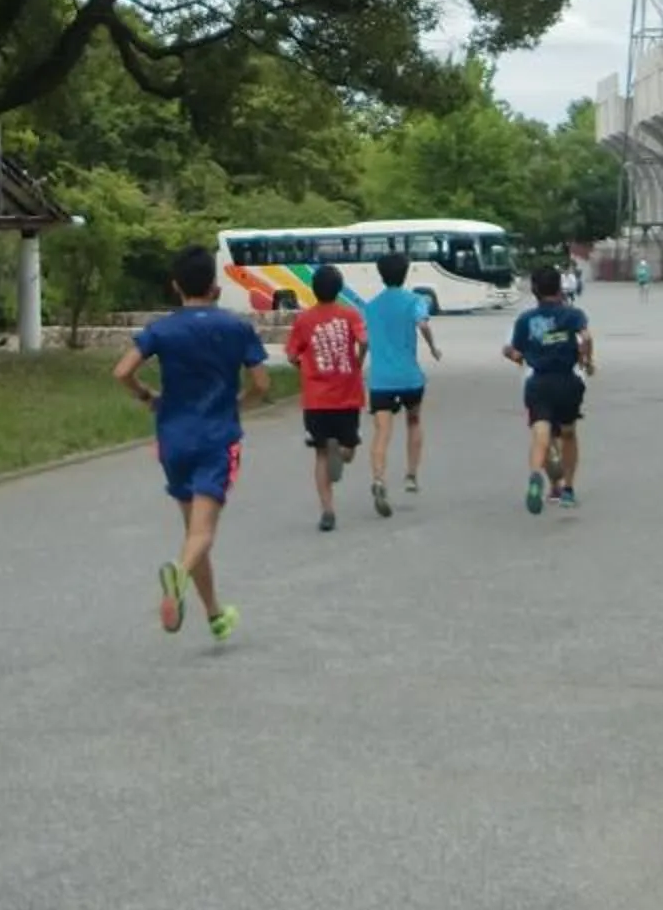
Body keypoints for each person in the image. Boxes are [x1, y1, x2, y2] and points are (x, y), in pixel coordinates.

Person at [114, 245, 266, 642]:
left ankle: (215, 615)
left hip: (174, 438)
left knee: (192, 534)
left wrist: (149, 397)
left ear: (176, 286)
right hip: (217, 438)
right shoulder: (236, 327)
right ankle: (178, 576)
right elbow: (262, 384)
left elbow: (122, 371)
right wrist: (241, 404)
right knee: (202, 534)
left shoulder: (162, 330)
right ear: (215, 285)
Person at [502, 263, 593, 514]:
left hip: (538, 383)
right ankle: (568, 490)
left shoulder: (526, 319)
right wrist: (587, 360)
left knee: (541, 434)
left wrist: (514, 355)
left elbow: (514, 350)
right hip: (567, 381)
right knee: (568, 433)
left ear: (534, 290)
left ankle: (535, 475)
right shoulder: (573, 315)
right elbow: (586, 338)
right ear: (560, 288)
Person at [285, 263, 369, 531]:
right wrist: (357, 360)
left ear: (313, 289)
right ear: (340, 289)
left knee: (320, 454)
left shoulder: (304, 320)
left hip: (316, 398)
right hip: (347, 393)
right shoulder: (350, 315)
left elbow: (291, 354)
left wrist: (304, 368)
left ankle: (327, 510)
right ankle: (341, 450)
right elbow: (365, 341)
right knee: (349, 450)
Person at [361, 254, 443, 514]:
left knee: (381, 431)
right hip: (409, 377)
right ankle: (410, 475)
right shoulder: (415, 301)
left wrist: (358, 361)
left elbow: (364, 340)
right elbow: (422, 324)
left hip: (381, 379)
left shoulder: (371, 306)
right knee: (414, 421)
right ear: (406, 273)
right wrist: (432, 347)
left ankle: (378, 478)